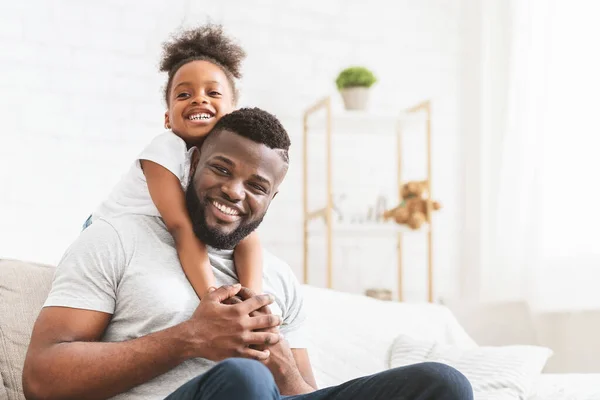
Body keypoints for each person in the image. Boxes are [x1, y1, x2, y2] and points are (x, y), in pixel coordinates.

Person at [23, 107, 474, 400]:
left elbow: (301, 393)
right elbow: (41, 377)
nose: (234, 192)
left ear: (271, 199)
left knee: (441, 384)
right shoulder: (117, 238)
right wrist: (191, 338)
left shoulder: (276, 277)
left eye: (257, 186)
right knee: (244, 378)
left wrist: (280, 362)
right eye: (221, 168)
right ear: (193, 162)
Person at [83, 24, 263, 300]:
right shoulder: (165, 148)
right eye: (184, 95)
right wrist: (213, 298)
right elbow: (180, 227)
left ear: (232, 113)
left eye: (213, 93)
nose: (199, 98)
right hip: (109, 234)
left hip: (160, 235)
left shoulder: (228, 162)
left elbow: (246, 237)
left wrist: (253, 299)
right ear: (167, 118)